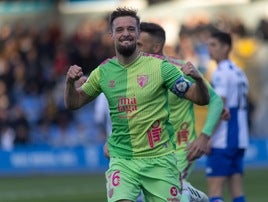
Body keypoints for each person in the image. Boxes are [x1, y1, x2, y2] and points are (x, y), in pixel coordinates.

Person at [64, 7, 210, 202]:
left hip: (159, 158)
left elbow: (200, 98)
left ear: (138, 33)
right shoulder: (103, 72)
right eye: (120, 29)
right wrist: (69, 84)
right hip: (123, 160)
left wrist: (199, 80)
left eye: (131, 29)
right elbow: (74, 103)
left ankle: (188, 194)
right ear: (111, 34)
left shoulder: (160, 67)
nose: (126, 34)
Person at [136, 22, 223, 202]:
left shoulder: (181, 69)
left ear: (156, 46)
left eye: (139, 45)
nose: (134, 49)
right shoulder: (137, 74)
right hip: (152, 150)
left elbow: (215, 100)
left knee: (172, 193)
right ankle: (196, 196)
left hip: (181, 148)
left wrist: (204, 137)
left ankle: (187, 192)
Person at [205, 31, 249, 202]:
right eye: (208, 45)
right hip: (240, 138)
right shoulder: (238, 71)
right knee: (237, 191)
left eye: (214, 45)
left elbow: (219, 106)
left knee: (215, 190)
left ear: (226, 47)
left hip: (223, 138)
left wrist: (208, 136)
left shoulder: (220, 73)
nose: (209, 49)